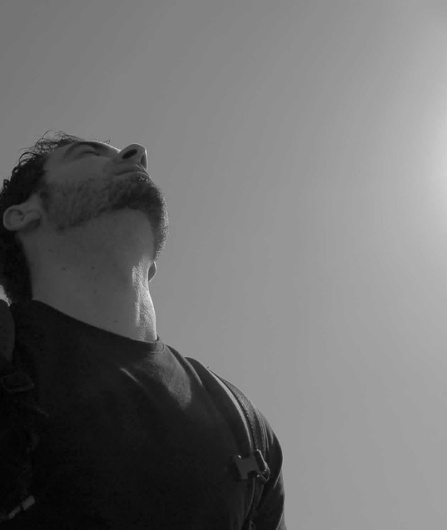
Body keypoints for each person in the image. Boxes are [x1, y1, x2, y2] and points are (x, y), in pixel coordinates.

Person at [0, 132, 286, 529]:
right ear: (22, 214)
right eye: (86, 154)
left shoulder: (245, 424)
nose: (137, 153)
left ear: (153, 265)